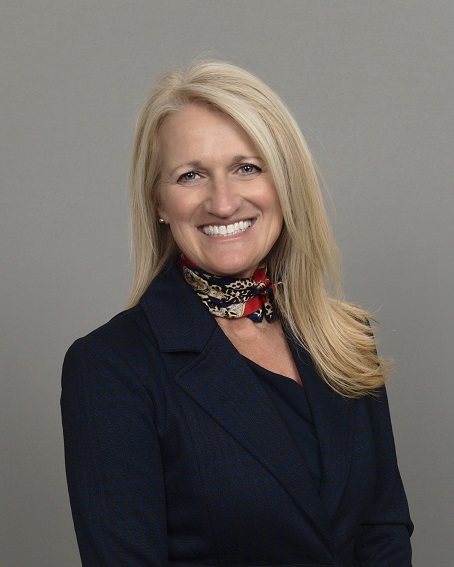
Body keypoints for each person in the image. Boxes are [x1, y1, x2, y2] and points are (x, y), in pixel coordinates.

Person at [61, 60, 413, 567]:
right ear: (158, 202)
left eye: (247, 167)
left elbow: (383, 530)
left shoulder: (345, 338)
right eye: (190, 175)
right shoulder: (110, 366)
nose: (223, 203)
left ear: (284, 182)